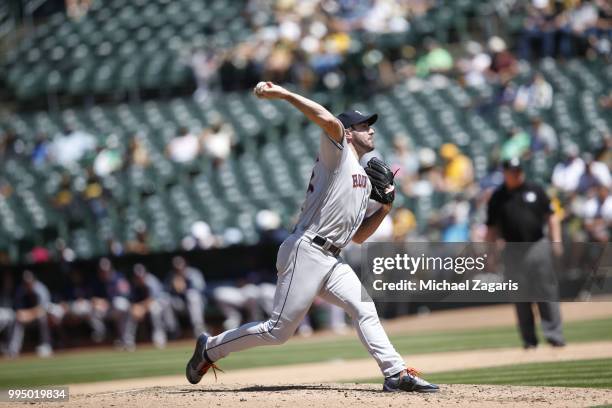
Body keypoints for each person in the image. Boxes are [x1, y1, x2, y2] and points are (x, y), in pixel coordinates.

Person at [185, 81, 439, 393]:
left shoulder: (361, 178)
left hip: (332, 257)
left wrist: (384, 209)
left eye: (370, 125)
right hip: (307, 249)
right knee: (278, 331)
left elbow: (358, 237)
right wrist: (285, 94)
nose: (371, 130)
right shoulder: (339, 155)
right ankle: (210, 349)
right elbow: (330, 121)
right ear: (347, 133)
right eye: (362, 125)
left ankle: (395, 373)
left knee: (364, 308)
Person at [485, 158, 566, 349]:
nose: (517, 173)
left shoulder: (535, 189)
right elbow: (491, 229)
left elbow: (552, 216)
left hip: (537, 245)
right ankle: (529, 340)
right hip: (512, 249)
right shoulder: (498, 197)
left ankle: (554, 335)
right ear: (504, 173)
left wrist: (556, 241)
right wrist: (491, 254)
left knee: (546, 291)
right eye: (512, 171)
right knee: (520, 296)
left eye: (519, 170)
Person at [7, 271, 53, 357]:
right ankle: (13, 350)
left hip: (38, 315)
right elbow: (18, 309)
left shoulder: (41, 289)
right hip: (26, 317)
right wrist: (23, 315)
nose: (28, 285)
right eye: (26, 283)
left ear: (34, 280)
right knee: (16, 320)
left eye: (29, 282)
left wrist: (28, 315)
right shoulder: (20, 291)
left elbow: (43, 309)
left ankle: (46, 345)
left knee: (43, 317)